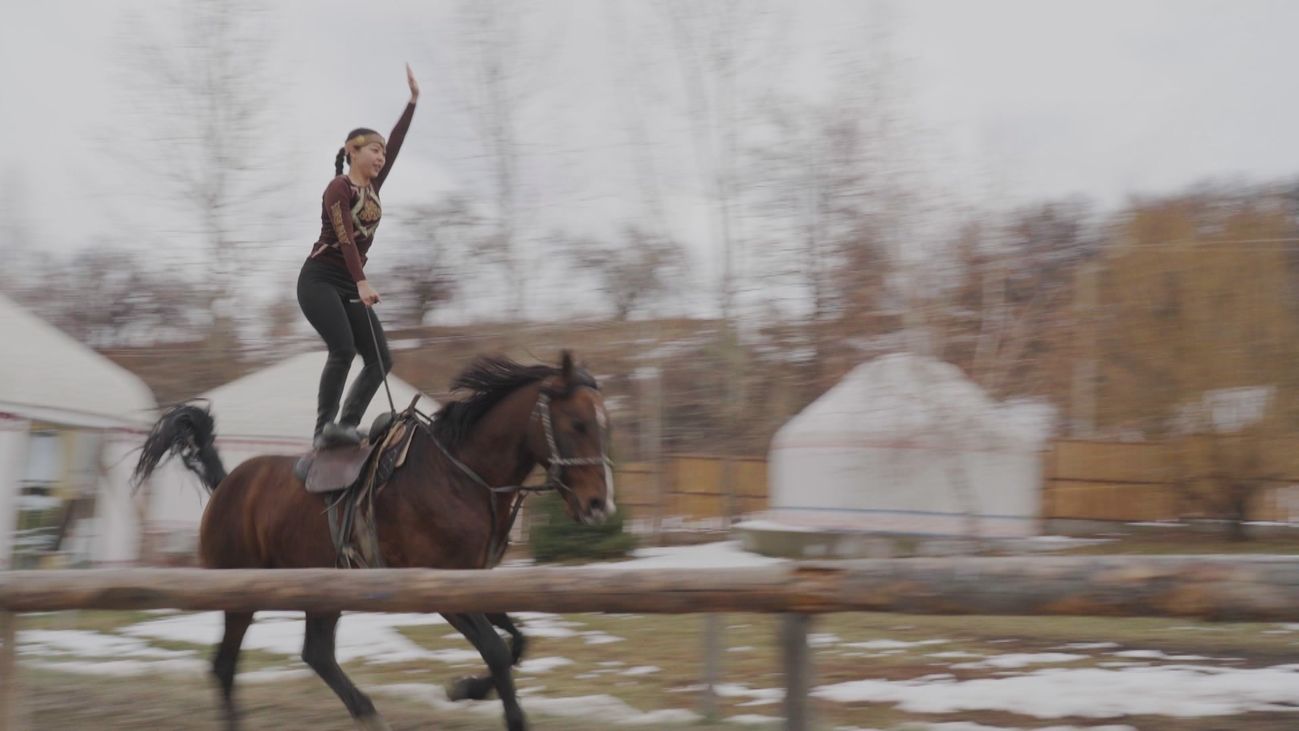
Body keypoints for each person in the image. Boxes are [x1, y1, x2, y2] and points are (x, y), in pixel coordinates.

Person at [298, 64, 419, 449]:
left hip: (350, 283)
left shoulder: (374, 185)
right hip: (319, 280)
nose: (382, 156)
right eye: (374, 149)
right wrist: (362, 282)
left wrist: (412, 102)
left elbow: (398, 142)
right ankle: (322, 430)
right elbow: (345, 238)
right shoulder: (339, 187)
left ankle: (346, 426)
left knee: (380, 359)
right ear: (353, 152)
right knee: (343, 348)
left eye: (384, 152)